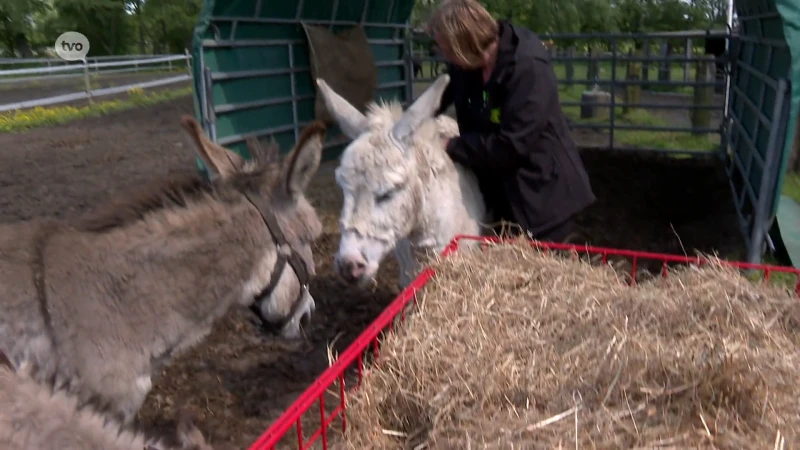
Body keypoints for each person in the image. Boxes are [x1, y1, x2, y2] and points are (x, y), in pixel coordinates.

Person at [425, 0, 596, 243]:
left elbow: (512, 147)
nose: (447, 59)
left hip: (542, 196)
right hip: (501, 191)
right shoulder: (466, 66)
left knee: (544, 271)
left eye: (449, 52)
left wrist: (451, 146)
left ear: (466, 45)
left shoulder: (528, 69)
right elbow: (440, 95)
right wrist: (408, 120)